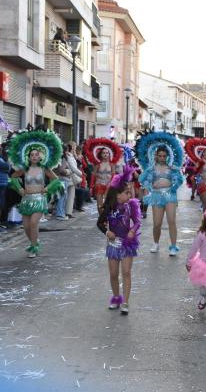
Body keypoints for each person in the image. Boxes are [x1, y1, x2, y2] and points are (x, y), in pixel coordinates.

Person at [7, 130, 64, 257]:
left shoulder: (44, 168)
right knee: (26, 226)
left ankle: (34, 247)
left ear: (40, 156)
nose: (34, 157)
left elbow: (56, 180)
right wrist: (19, 189)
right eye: (31, 155)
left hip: (39, 199)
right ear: (28, 156)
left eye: (36, 155)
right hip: (26, 199)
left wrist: (47, 189)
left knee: (33, 223)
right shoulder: (25, 169)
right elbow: (12, 177)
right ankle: (34, 240)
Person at [96, 166, 141, 315]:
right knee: (114, 274)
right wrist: (107, 231)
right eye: (126, 193)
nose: (129, 195)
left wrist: (132, 230)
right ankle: (116, 297)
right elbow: (99, 223)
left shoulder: (131, 206)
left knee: (126, 272)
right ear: (117, 195)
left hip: (127, 244)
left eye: (129, 192)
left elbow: (137, 221)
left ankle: (125, 302)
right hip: (113, 245)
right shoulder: (109, 208)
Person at [136, 131, 184, 256]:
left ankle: (173, 246)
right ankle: (156, 243)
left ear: (167, 156)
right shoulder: (150, 168)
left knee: (171, 221)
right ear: (155, 156)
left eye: (164, 156)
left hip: (169, 195)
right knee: (157, 223)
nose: (162, 158)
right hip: (156, 196)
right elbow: (141, 179)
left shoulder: (172, 167)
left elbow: (180, 179)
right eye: (160, 155)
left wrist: (174, 187)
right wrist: (149, 187)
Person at [85, 138, 122, 212]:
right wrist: (91, 187)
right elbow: (93, 175)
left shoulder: (112, 165)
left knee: (108, 204)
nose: (105, 154)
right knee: (100, 204)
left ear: (109, 154)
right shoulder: (97, 165)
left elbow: (113, 176)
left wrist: (112, 185)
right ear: (100, 154)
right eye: (103, 153)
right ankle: (101, 219)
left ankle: (105, 218)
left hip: (109, 186)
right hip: (99, 185)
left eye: (107, 153)